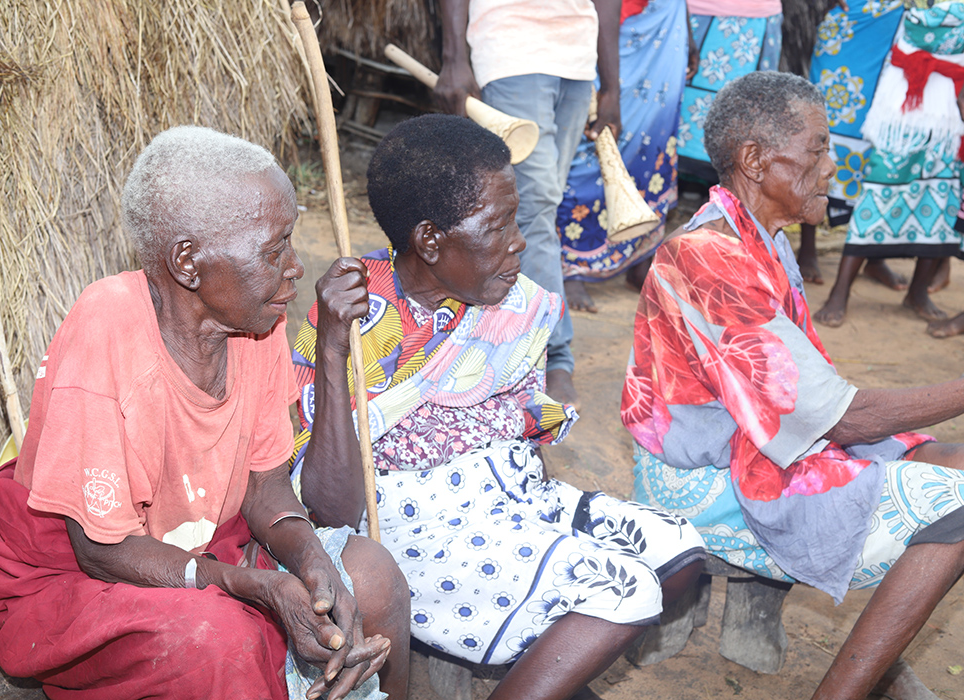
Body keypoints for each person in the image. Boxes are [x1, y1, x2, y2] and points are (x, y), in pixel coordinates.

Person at [0, 126, 409, 700]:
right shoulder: (108, 329)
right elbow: (99, 550)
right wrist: (248, 585)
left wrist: (309, 558)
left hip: (202, 546)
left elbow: (265, 484)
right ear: (188, 262)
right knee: (217, 639)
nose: (296, 268)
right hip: (79, 575)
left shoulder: (260, 319)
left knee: (371, 577)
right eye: (273, 249)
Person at [291, 114, 706, 700]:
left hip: (508, 499)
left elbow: (521, 435)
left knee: (679, 550)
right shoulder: (359, 318)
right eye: (500, 225)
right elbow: (330, 512)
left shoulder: (509, 304)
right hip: (422, 528)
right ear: (431, 241)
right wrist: (334, 347)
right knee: (626, 590)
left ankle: (534, 664)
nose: (520, 241)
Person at [622, 72, 964, 700]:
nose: (833, 166)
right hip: (706, 478)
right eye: (819, 148)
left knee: (953, 465)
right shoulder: (708, 258)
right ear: (755, 160)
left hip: (763, 443)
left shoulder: (757, 240)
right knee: (959, 511)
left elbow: (816, 408)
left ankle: (878, 655)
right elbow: (841, 421)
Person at [433, 0, 622, 408]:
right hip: (511, 47)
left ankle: (517, 339)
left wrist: (611, 83)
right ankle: (552, 354)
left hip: (576, 59)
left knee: (538, 210)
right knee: (532, 208)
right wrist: (454, 56)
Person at [815, 0, 964, 328]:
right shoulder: (929, 8)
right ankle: (840, 292)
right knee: (879, 192)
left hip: (949, 107)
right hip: (905, 108)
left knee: (940, 196)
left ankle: (917, 292)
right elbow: (924, 25)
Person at [557, 0, 697, 313]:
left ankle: (642, 257)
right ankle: (572, 265)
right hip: (616, 25)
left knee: (656, 140)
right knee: (593, 138)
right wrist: (611, 89)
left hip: (667, 23)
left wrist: (688, 33)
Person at [796, 0, 907, 288]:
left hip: (902, 25)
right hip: (850, 25)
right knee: (825, 127)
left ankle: (874, 255)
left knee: (883, 143)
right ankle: (807, 246)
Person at [677, 0, 784, 183]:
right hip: (696, 14)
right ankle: (689, 186)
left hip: (757, 19)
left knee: (743, 117)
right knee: (683, 110)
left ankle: (720, 193)